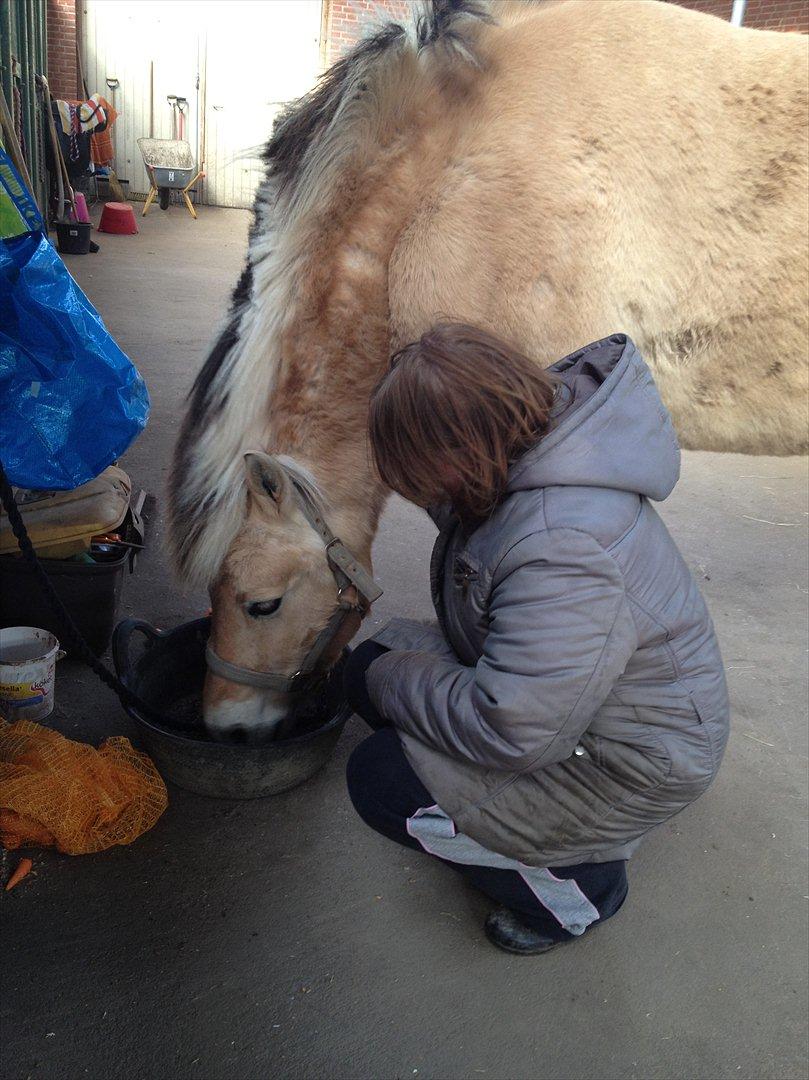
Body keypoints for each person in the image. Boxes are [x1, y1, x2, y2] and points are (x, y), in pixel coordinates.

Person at [344, 324, 730, 955]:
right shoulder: (522, 458)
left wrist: (396, 685)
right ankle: (489, 799)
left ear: (458, 452)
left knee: (380, 778)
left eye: (412, 466)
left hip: (627, 764)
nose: (406, 484)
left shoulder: (563, 547)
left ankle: (579, 887)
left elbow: (513, 731)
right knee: (365, 667)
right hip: (578, 712)